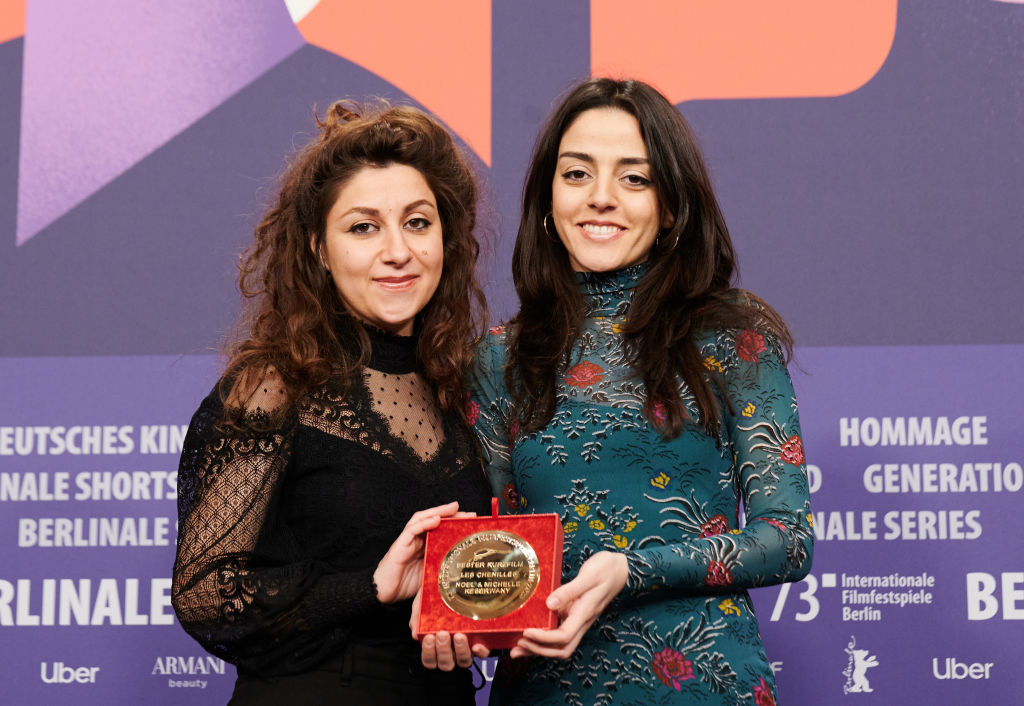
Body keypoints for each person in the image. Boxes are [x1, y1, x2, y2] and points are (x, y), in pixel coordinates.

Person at [465, 78, 814, 705]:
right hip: (547, 689)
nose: (601, 199)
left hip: (703, 687)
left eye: (635, 178)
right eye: (576, 175)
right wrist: (463, 617)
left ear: (672, 205)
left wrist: (631, 569)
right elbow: (499, 550)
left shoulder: (730, 337)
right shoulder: (500, 357)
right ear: (547, 196)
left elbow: (786, 541)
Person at [171, 102, 492, 705]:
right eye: (363, 227)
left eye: (418, 223)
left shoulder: (463, 389)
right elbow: (205, 592)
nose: (397, 251)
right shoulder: (274, 386)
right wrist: (368, 587)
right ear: (319, 248)